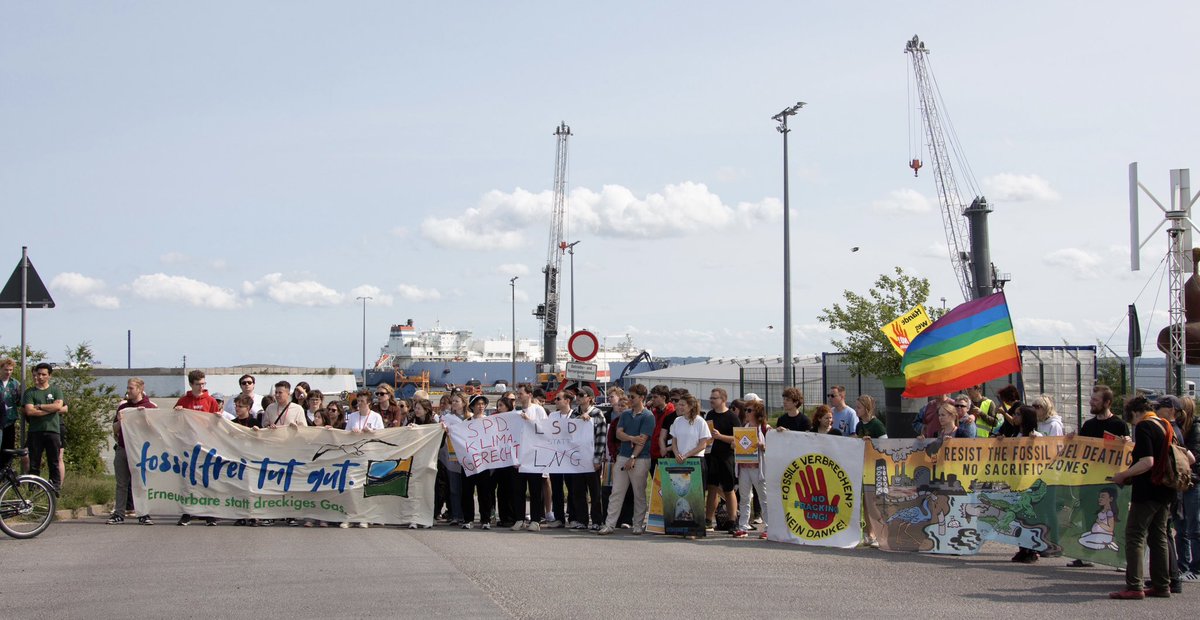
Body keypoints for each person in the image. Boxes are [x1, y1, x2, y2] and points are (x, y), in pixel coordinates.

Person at [1110, 395, 1196, 599]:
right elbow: (1189, 456)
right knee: (1158, 536)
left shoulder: (1145, 426)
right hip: (1166, 489)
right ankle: (1162, 584)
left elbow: (1147, 461)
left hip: (1148, 489)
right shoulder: (1165, 425)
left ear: (1134, 412)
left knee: (1135, 535)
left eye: (1130, 418)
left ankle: (1134, 585)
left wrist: (1123, 475)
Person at [597, 383, 655, 536]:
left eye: (632, 397)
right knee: (616, 491)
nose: (629, 399)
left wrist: (633, 456)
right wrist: (631, 438)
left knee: (639, 493)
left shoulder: (648, 416)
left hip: (640, 458)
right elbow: (618, 434)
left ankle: (637, 524)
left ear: (642, 398)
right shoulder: (625, 414)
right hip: (622, 456)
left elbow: (642, 440)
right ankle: (609, 524)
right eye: (629, 396)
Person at [107, 377, 157, 525]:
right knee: (121, 483)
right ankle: (119, 513)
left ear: (140, 389)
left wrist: (145, 417)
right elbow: (114, 429)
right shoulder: (123, 407)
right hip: (123, 448)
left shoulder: (150, 406)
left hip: (140, 450)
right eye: (128, 388)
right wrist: (120, 420)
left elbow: (155, 429)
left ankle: (143, 513)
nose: (128, 391)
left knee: (141, 483)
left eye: (131, 388)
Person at [511, 384, 548, 531]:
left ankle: (535, 520)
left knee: (535, 490)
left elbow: (545, 430)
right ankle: (519, 518)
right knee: (518, 490)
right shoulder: (515, 412)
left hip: (534, 457)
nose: (519, 396)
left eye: (521, 394)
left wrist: (529, 421)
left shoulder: (538, 410)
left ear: (529, 394)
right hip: (519, 458)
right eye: (518, 394)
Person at [570, 386, 607, 530]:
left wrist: (598, 459)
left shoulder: (598, 414)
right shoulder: (574, 413)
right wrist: (580, 418)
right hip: (577, 459)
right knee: (578, 491)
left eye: (581, 395)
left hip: (592, 459)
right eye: (577, 395)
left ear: (589, 398)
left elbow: (601, 438)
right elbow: (569, 431)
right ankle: (582, 520)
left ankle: (597, 520)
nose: (578, 397)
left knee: (595, 492)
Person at [705, 387, 740, 533]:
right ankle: (708, 519)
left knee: (728, 488)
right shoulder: (710, 415)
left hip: (727, 456)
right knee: (712, 487)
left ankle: (732, 520)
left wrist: (720, 437)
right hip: (712, 455)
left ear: (723, 400)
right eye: (711, 398)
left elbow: (739, 438)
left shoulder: (732, 417)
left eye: (715, 398)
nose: (711, 400)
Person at [733, 399, 769, 539]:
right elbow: (739, 444)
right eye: (745, 410)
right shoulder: (744, 427)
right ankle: (743, 526)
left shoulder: (765, 428)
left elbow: (771, 446)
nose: (746, 413)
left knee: (763, 498)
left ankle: (768, 527)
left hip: (759, 468)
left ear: (757, 412)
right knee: (744, 498)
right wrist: (735, 446)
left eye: (749, 410)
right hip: (744, 467)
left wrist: (762, 445)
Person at [461, 394, 495, 530]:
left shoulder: (489, 421)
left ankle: (485, 519)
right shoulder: (466, 423)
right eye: (478, 404)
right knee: (467, 492)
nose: (481, 407)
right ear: (472, 406)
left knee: (484, 492)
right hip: (469, 462)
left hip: (484, 463)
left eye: (483, 404)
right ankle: (468, 519)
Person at [1177, 396, 1200, 582]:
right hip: (1180, 481)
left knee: (1194, 526)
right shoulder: (1178, 429)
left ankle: (1196, 568)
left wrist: (1177, 444)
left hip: (1194, 481)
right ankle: (1182, 565)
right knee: (1180, 526)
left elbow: (1194, 456)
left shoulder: (1195, 428)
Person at [0, 358, 22, 472]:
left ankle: (5, 471)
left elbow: (19, 401)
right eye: (5, 370)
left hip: (10, 420)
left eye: (10, 370)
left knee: (8, 448)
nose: (8, 372)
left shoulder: (15, 383)